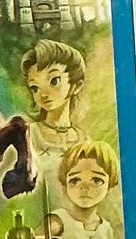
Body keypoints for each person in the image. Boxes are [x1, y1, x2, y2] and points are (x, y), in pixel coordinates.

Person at [20, 39, 87, 186]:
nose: (43, 94)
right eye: (35, 88)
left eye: (54, 81)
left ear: (76, 85)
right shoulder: (29, 135)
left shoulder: (84, 141)